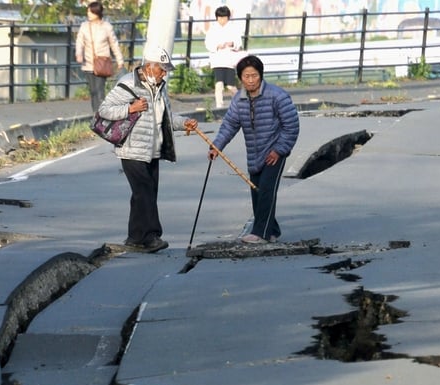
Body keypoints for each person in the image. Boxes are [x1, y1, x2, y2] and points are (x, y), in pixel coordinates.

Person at [98, 45, 199, 253]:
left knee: (144, 193)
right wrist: (130, 108)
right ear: (148, 67)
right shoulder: (128, 84)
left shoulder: (159, 88)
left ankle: (135, 237)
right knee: (144, 192)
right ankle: (152, 236)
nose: (164, 74)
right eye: (161, 69)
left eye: (165, 70)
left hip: (152, 149)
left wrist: (184, 122)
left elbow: (166, 118)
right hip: (132, 149)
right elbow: (104, 110)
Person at [209, 55, 300, 244]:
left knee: (267, 190)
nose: (251, 80)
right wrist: (216, 146)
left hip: (274, 152)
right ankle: (272, 229)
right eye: (246, 76)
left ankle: (261, 233)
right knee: (257, 192)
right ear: (240, 78)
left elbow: (291, 126)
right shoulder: (239, 100)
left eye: (254, 76)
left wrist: (279, 150)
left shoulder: (277, 95)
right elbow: (229, 125)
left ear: (261, 75)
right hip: (254, 154)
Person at [75, 1, 124, 113]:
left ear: (97, 12)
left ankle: (102, 114)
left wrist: (120, 60)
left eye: (90, 12)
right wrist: (79, 53)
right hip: (88, 63)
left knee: (99, 90)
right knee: (93, 91)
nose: (88, 14)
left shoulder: (106, 27)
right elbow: (79, 42)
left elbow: (114, 44)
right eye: (88, 12)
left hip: (102, 63)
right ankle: (95, 115)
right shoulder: (84, 26)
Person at [204, 5, 242, 109]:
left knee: (230, 86)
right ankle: (219, 105)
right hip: (217, 61)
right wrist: (217, 46)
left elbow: (238, 43)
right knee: (219, 84)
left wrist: (232, 43)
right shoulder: (212, 29)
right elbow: (208, 43)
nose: (222, 20)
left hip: (229, 61)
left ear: (228, 17)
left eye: (224, 17)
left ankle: (240, 102)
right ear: (217, 18)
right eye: (220, 17)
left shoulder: (233, 28)